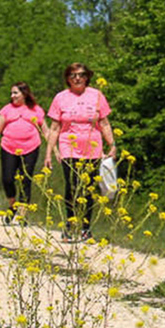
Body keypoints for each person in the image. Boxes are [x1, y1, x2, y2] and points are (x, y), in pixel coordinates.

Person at [45, 64, 116, 242]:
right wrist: (49, 154)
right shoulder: (60, 98)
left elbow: (105, 123)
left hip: (92, 146)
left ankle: (86, 227)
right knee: (72, 185)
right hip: (68, 145)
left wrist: (112, 145)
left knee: (88, 187)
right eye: (73, 75)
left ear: (87, 77)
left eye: (81, 75)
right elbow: (54, 128)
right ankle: (69, 225)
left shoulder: (97, 95)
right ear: (67, 78)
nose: (77, 78)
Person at [0, 83, 46, 224]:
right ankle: (12, 205)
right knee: (8, 179)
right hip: (9, 147)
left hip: (30, 147)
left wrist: (53, 149)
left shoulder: (36, 109)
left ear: (24, 93)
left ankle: (22, 215)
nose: (12, 96)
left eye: (15, 93)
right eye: (12, 93)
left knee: (25, 180)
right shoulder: (7, 109)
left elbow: (45, 129)